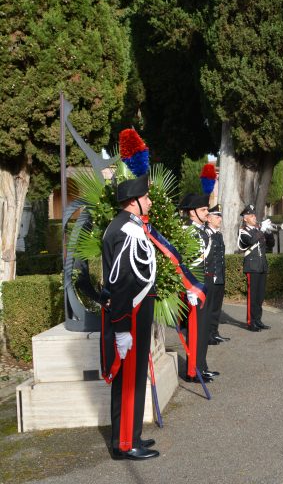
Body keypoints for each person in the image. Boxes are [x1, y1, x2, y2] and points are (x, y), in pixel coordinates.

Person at [99, 174, 159, 460]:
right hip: (130, 314)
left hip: (137, 310)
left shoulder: (129, 226)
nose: (149, 201)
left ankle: (131, 434)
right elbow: (121, 282)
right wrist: (122, 327)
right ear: (134, 202)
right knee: (128, 379)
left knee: (134, 379)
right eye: (145, 197)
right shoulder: (125, 230)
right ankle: (124, 443)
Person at [178, 193, 215, 382]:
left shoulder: (203, 231)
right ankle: (193, 371)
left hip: (205, 285)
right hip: (194, 287)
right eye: (203, 210)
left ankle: (202, 366)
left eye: (206, 209)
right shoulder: (188, 233)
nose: (207, 212)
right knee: (195, 330)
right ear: (192, 213)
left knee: (204, 329)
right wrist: (188, 288)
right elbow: (181, 263)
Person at [239, 204, 270, 331]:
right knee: (253, 296)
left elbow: (271, 244)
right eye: (251, 216)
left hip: (261, 265)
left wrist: (268, 233)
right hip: (252, 266)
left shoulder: (258, 230)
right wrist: (262, 230)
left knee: (260, 296)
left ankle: (258, 320)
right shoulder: (243, 231)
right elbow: (250, 241)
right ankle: (251, 322)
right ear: (245, 218)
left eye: (254, 215)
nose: (254, 217)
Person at [205, 204, 229, 345]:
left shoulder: (218, 235)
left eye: (220, 216)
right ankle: (207, 335)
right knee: (209, 308)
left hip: (219, 276)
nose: (220, 218)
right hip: (210, 277)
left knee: (216, 308)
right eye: (217, 216)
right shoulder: (205, 234)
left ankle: (214, 332)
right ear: (208, 218)